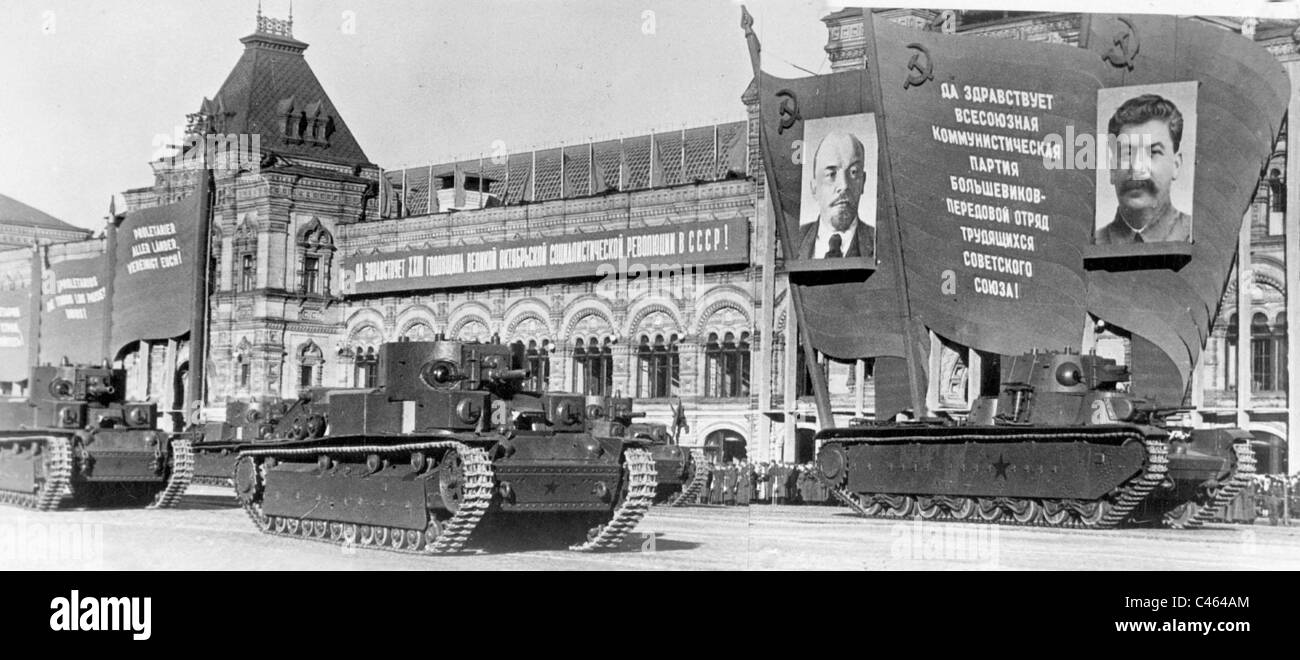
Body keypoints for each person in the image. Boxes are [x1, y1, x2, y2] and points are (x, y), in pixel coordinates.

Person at [1097, 94, 1191, 244]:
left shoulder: (1196, 236)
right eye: (1127, 153)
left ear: (1176, 165)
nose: (1137, 167)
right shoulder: (1093, 241)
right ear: (1112, 169)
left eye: (1152, 152)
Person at [798, 131, 875, 259]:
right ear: (814, 187)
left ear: (863, 182)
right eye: (831, 174)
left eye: (853, 172)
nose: (844, 185)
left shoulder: (879, 240)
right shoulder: (796, 239)